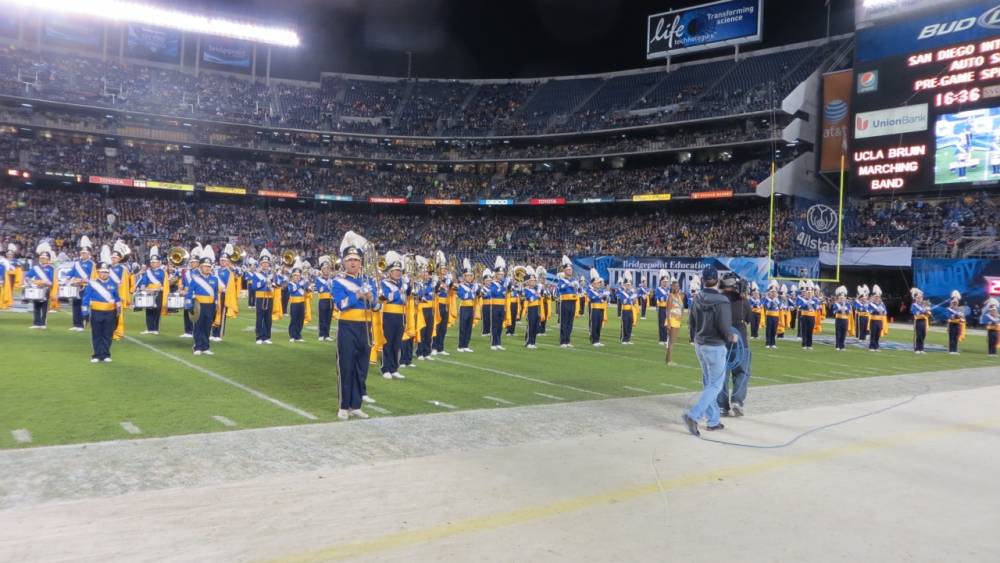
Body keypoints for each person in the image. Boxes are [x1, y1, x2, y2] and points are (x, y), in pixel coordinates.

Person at [682, 266, 736, 436]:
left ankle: (713, 421)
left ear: (703, 279)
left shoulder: (697, 297)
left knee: (709, 383)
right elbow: (723, 326)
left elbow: (692, 321)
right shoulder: (722, 301)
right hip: (715, 345)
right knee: (715, 384)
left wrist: (695, 338)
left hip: (700, 344)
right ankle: (694, 415)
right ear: (717, 279)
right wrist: (731, 336)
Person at [334, 236, 378, 419]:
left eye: (356, 260)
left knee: (361, 367)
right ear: (344, 262)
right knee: (346, 366)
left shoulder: (369, 280)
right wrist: (358, 296)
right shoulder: (339, 281)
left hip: (366, 326)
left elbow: (377, 306)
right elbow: (341, 303)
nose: (353, 263)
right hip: (347, 326)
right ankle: (344, 406)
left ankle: (356, 404)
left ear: (361, 262)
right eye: (350, 260)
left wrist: (372, 299)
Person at [717, 272, 752, 418]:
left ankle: (722, 406)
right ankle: (737, 401)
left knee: (721, 374)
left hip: (722, 339)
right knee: (742, 372)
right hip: (741, 340)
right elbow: (750, 318)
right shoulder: (743, 301)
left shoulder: (718, 300)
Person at [81, 262, 120, 363]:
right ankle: (96, 355)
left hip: (110, 313)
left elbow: (117, 298)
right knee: (97, 334)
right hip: (96, 312)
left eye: (106, 272)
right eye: (102, 272)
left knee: (108, 334)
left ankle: (106, 354)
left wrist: (118, 311)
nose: (104, 274)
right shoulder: (92, 284)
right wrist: (85, 314)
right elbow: (85, 300)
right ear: (98, 272)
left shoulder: (114, 284)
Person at [379, 253, 407, 378]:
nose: (397, 273)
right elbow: (385, 297)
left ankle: (394, 368)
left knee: (397, 342)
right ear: (390, 272)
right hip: (389, 314)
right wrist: (398, 293)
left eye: (399, 271)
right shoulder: (384, 283)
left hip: (401, 314)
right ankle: (385, 368)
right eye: (395, 270)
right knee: (388, 341)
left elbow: (408, 298)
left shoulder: (403, 283)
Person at [186, 257, 221, 355]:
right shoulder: (196, 279)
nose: (207, 268)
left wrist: (216, 303)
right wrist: (189, 305)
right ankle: (197, 347)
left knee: (207, 326)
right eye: (205, 266)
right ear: (200, 267)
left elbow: (215, 293)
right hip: (199, 305)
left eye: (209, 266)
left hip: (210, 306)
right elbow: (189, 292)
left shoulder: (214, 279)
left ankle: (206, 347)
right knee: (198, 326)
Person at [66, 237, 96, 331]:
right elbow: (71, 273)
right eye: (82, 253)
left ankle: (83, 324)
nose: (83, 254)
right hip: (76, 287)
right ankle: (76, 324)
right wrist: (68, 280)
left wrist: (83, 281)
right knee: (75, 305)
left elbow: (93, 278)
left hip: (86, 287)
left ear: (89, 254)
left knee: (84, 305)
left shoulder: (92, 264)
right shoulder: (76, 263)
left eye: (85, 253)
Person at [249, 252, 278, 344]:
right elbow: (254, 286)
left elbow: (276, 284)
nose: (265, 264)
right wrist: (264, 281)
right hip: (260, 297)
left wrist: (273, 284)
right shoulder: (256, 274)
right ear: (261, 264)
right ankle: (259, 337)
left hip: (269, 297)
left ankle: (267, 337)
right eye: (263, 263)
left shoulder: (272, 273)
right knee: (259, 317)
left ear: (269, 264)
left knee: (268, 318)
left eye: (267, 263)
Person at [25, 244, 56, 329]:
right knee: (36, 306)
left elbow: (52, 281)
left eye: (44, 258)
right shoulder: (35, 267)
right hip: (37, 289)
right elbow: (28, 276)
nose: (42, 259)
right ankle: (36, 323)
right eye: (41, 258)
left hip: (46, 289)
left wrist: (46, 283)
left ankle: (43, 323)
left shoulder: (51, 268)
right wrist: (30, 281)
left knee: (44, 307)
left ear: (48, 259)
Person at [136, 253, 168, 335]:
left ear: (159, 263)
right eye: (152, 262)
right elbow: (144, 282)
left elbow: (165, 285)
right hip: (149, 292)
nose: (153, 263)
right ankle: (149, 328)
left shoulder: (163, 272)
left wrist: (157, 289)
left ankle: (155, 329)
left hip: (158, 293)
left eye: (155, 262)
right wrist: (145, 288)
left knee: (157, 310)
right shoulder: (147, 272)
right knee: (149, 310)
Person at [456, 260, 478, 352]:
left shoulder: (473, 286)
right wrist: (470, 293)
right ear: (464, 277)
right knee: (463, 327)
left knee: (469, 327)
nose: (469, 277)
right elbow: (462, 295)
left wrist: (472, 292)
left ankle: (466, 345)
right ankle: (460, 346)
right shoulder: (461, 286)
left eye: (470, 276)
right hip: (464, 307)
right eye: (468, 276)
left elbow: (476, 295)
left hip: (471, 308)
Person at [556, 256, 578, 347]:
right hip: (565, 302)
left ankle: (568, 340)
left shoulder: (574, 280)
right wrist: (569, 284)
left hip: (572, 302)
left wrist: (578, 287)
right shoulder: (561, 280)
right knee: (564, 322)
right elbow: (559, 289)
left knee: (570, 322)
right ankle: (563, 341)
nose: (570, 271)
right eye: (568, 270)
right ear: (564, 271)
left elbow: (578, 291)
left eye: (570, 269)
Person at [416, 264, 436, 360]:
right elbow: (420, 293)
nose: (426, 275)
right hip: (422, 309)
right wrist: (429, 288)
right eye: (424, 273)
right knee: (422, 331)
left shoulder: (431, 283)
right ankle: (420, 352)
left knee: (429, 331)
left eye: (427, 273)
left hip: (430, 308)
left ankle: (427, 352)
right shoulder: (418, 283)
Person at [313, 260, 336, 342]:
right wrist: (327, 285)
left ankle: (327, 335)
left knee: (328, 318)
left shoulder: (332, 280)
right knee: (322, 317)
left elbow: (334, 289)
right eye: (325, 269)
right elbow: (320, 289)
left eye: (328, 269)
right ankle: (321, 334)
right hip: (323, 300)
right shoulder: (318, 279)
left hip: (330, 300)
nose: (327, 270)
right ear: (322, 270)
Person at [665, 276, 685, 365]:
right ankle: (669, 360)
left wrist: (681, 320)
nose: (676, 288)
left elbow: (682, 309)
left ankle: (667, 359)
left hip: (677, 321)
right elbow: (668, 310)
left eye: (678, 286)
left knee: (673, 341)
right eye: (675, 286)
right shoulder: (670, 296)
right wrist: (669, 323)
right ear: (672, 287)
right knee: (671, 341)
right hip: (672, 320)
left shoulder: (681, 296)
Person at [586, 269, 609, 347]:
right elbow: (591, 297)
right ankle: (593, 340)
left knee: (599, 324)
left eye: (599, 283)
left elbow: (604, 299)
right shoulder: (590, 290)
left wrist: (605, 297)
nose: (599, 284)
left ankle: (598, 339)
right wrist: (599, 296)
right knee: (594, 324)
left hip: (601, 309)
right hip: (594, 309)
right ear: (593, 283)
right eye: (598, 283)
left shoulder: (600, 291)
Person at [488, 260, 508, 351]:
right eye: (500, 274)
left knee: (500, 325)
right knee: (495, 325)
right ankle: (493, 343)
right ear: (496, 275)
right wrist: (502, 289)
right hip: (495, 306)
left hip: (502, 306)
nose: (501, 276)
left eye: (502, 274)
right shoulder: (492, 283)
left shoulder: (503, 284)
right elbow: (493, 293)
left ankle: (498, 342)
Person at [286, 268, 308, 343]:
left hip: (302, 303)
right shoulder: (290, 283)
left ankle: (298, 335)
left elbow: (306, 290)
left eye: (298, 276)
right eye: (295, 275)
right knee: (294, 319)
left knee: (300, 320)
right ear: (292, 276)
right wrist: (300, 284)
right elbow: (292, 290)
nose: (297, 277)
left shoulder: (301, 283)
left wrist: (306, 283)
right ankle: (292, 335)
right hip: (294, 303)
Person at [796, 281, 819, 350]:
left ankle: (809, 344)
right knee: (804, 330)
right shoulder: (802, 299)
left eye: (810, 292)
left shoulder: (815, 299)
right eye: (807, 292)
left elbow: (816, 307)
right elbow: (799, 306)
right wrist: (806, 303)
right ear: (805, 293)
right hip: (804, 315)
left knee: (810, 330)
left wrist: (811, 302)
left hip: (811, 316)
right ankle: (804, 344)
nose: (809, 294)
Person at [522, 270, 541, 349]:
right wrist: (537, 295)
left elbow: (538, 297)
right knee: (531, 325)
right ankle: (528, 342)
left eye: (534, 281)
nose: (534, 282)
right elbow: (531, 299)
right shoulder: (526, 290)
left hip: (537, 308)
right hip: (531, 308)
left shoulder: (535, 290)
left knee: (536, 326)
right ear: (528, 282)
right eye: (532, 281)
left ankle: (533, 342)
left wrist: (537, 294)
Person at [867, 285, 888, 351]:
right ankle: (871, 346)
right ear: (874, 298)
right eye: (876, 297)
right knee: (873, 334)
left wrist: (883, 312)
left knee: (878, 334)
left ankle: (876, 346)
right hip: (873, 320)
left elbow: (885, 312)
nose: (877, 298)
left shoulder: (882, 304)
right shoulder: (871, 304)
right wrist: (876, 310)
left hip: (880, 321)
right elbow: (869, 311)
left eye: (878, 297)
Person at [618, 274, 637, 345]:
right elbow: (623, 301)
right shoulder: (622, 292)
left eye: (629, 285)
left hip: (631, 310)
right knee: (625, 324)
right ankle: (623, 339)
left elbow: (634, 302)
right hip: (625, 310)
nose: (628, 286)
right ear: (624, 285)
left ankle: (628, 339)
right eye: (627, 285)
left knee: (630, 324)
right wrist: (630, 299)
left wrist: (634, 300)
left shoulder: (631, 292)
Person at [832, 286, 853, 351]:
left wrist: (845, 310)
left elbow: (849, 312)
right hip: (838, 319)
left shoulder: (848, 304)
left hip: (845, 320)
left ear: (845, 298)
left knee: (844, 333)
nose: (842, 299)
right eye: (841, 298)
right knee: (838, 333)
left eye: (843, 298)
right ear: (839, 298)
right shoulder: (836, 304)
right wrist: (839, 309)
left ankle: (842, 346)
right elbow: (834, 311)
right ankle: (837, 346)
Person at [763, 281, 782, 349]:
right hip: (769, 316)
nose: (773, 293)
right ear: (769, 293)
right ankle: (767, 343)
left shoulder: (777, 299)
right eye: (772, 292)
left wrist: (777, 301)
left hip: (776, 316)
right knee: (769, 329)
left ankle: (773, 343)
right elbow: (767, 306)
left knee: (774, 330)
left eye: (775, 292)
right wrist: (771, 301)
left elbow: (780, 307)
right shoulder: (767, 299)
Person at [910, 287, 930, 354]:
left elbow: (928, 313)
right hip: (918, 321)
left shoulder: (924, 304)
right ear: (915, 298)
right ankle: (917, 349)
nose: (919, 299)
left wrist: (927, 311)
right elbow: (914, 312)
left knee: (923, 334)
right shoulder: (914, 305)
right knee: (918, 335)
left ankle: (921, 348)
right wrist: (922, 311)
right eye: (918, 298)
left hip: (924, 321)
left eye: (920, 297)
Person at [654, 271, 671, 345]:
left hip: (667, 308)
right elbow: (658, 298)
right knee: (661, 323)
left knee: (666, 324)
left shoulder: (668, 290)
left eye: (666, 282)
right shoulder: (658, 289)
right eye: (664, 281)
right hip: (661, 308)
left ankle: (665, 338)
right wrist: (664, 298)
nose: (665, 283)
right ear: (661, 282)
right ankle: (661, 339)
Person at [947, 290, 966, 354]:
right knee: (951, 337)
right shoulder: (950, 309)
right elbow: (951, 317)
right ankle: (951, 350)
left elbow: (962, 317)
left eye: (956, 302)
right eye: (954, 302)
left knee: (956, 337)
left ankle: (955, 350)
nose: (955, 303)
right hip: (952, 324)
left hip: (957, 324)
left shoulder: (960, 309)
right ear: (952, 303)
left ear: (958, 303)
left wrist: (961, 317)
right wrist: (956, 314)